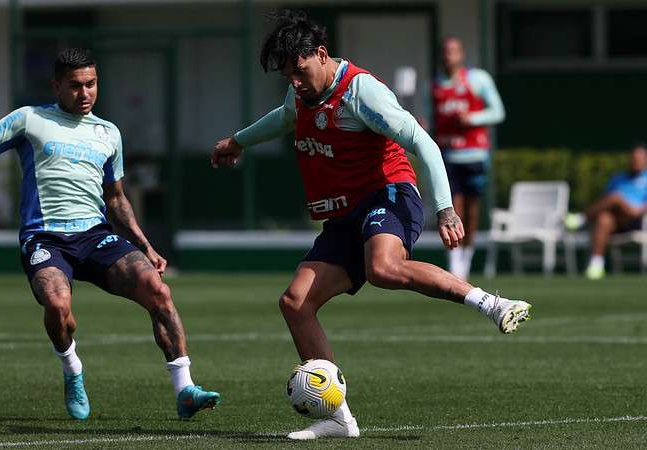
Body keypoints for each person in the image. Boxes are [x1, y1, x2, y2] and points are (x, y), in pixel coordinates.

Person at [212, 11, 531, 440]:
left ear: (321, 55)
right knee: (295, 303)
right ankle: (340, 419)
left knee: (383, 268)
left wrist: (446, 209)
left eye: (300, 71)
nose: (295, 82)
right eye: (288, 75)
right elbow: (283, 118)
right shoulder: (302, 94)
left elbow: (423, 142)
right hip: (344, 215)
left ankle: (491, 304)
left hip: (390, 194)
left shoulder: (361, 91)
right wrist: (237, 141)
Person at [0, 48, 219, 421]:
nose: (85, 92)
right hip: (44, 239)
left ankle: (184, 389)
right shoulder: (29, 119)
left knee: (157, 290)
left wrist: (145, 245)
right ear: (56, 85)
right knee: (58, 306)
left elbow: (116, 199)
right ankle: (72, 369)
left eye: (91, 84)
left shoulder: (109, 133)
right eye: (75, 85)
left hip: (95, 237)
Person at [433, 36, 505, 280]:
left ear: (461, 54)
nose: (448, 56)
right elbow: (431, 117)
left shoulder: (478, 79)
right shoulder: (433, 84)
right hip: (447, 154)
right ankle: (454, 262)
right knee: (453, 207)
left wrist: (472, 118)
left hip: (474, 153)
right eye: (445, 51)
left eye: (453, 51)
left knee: (472, 211)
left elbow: (498, 112)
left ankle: (467, 256)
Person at [582, 143, 647, 279]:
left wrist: (639, 209)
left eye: (639, 158)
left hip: (638, 218)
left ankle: (581, 218)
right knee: (604, 218)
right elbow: (604, 201)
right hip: (617, 220)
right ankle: (596, 265)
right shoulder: (618, 178)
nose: (636, 161)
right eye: (633, 158)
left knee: (615, 197)